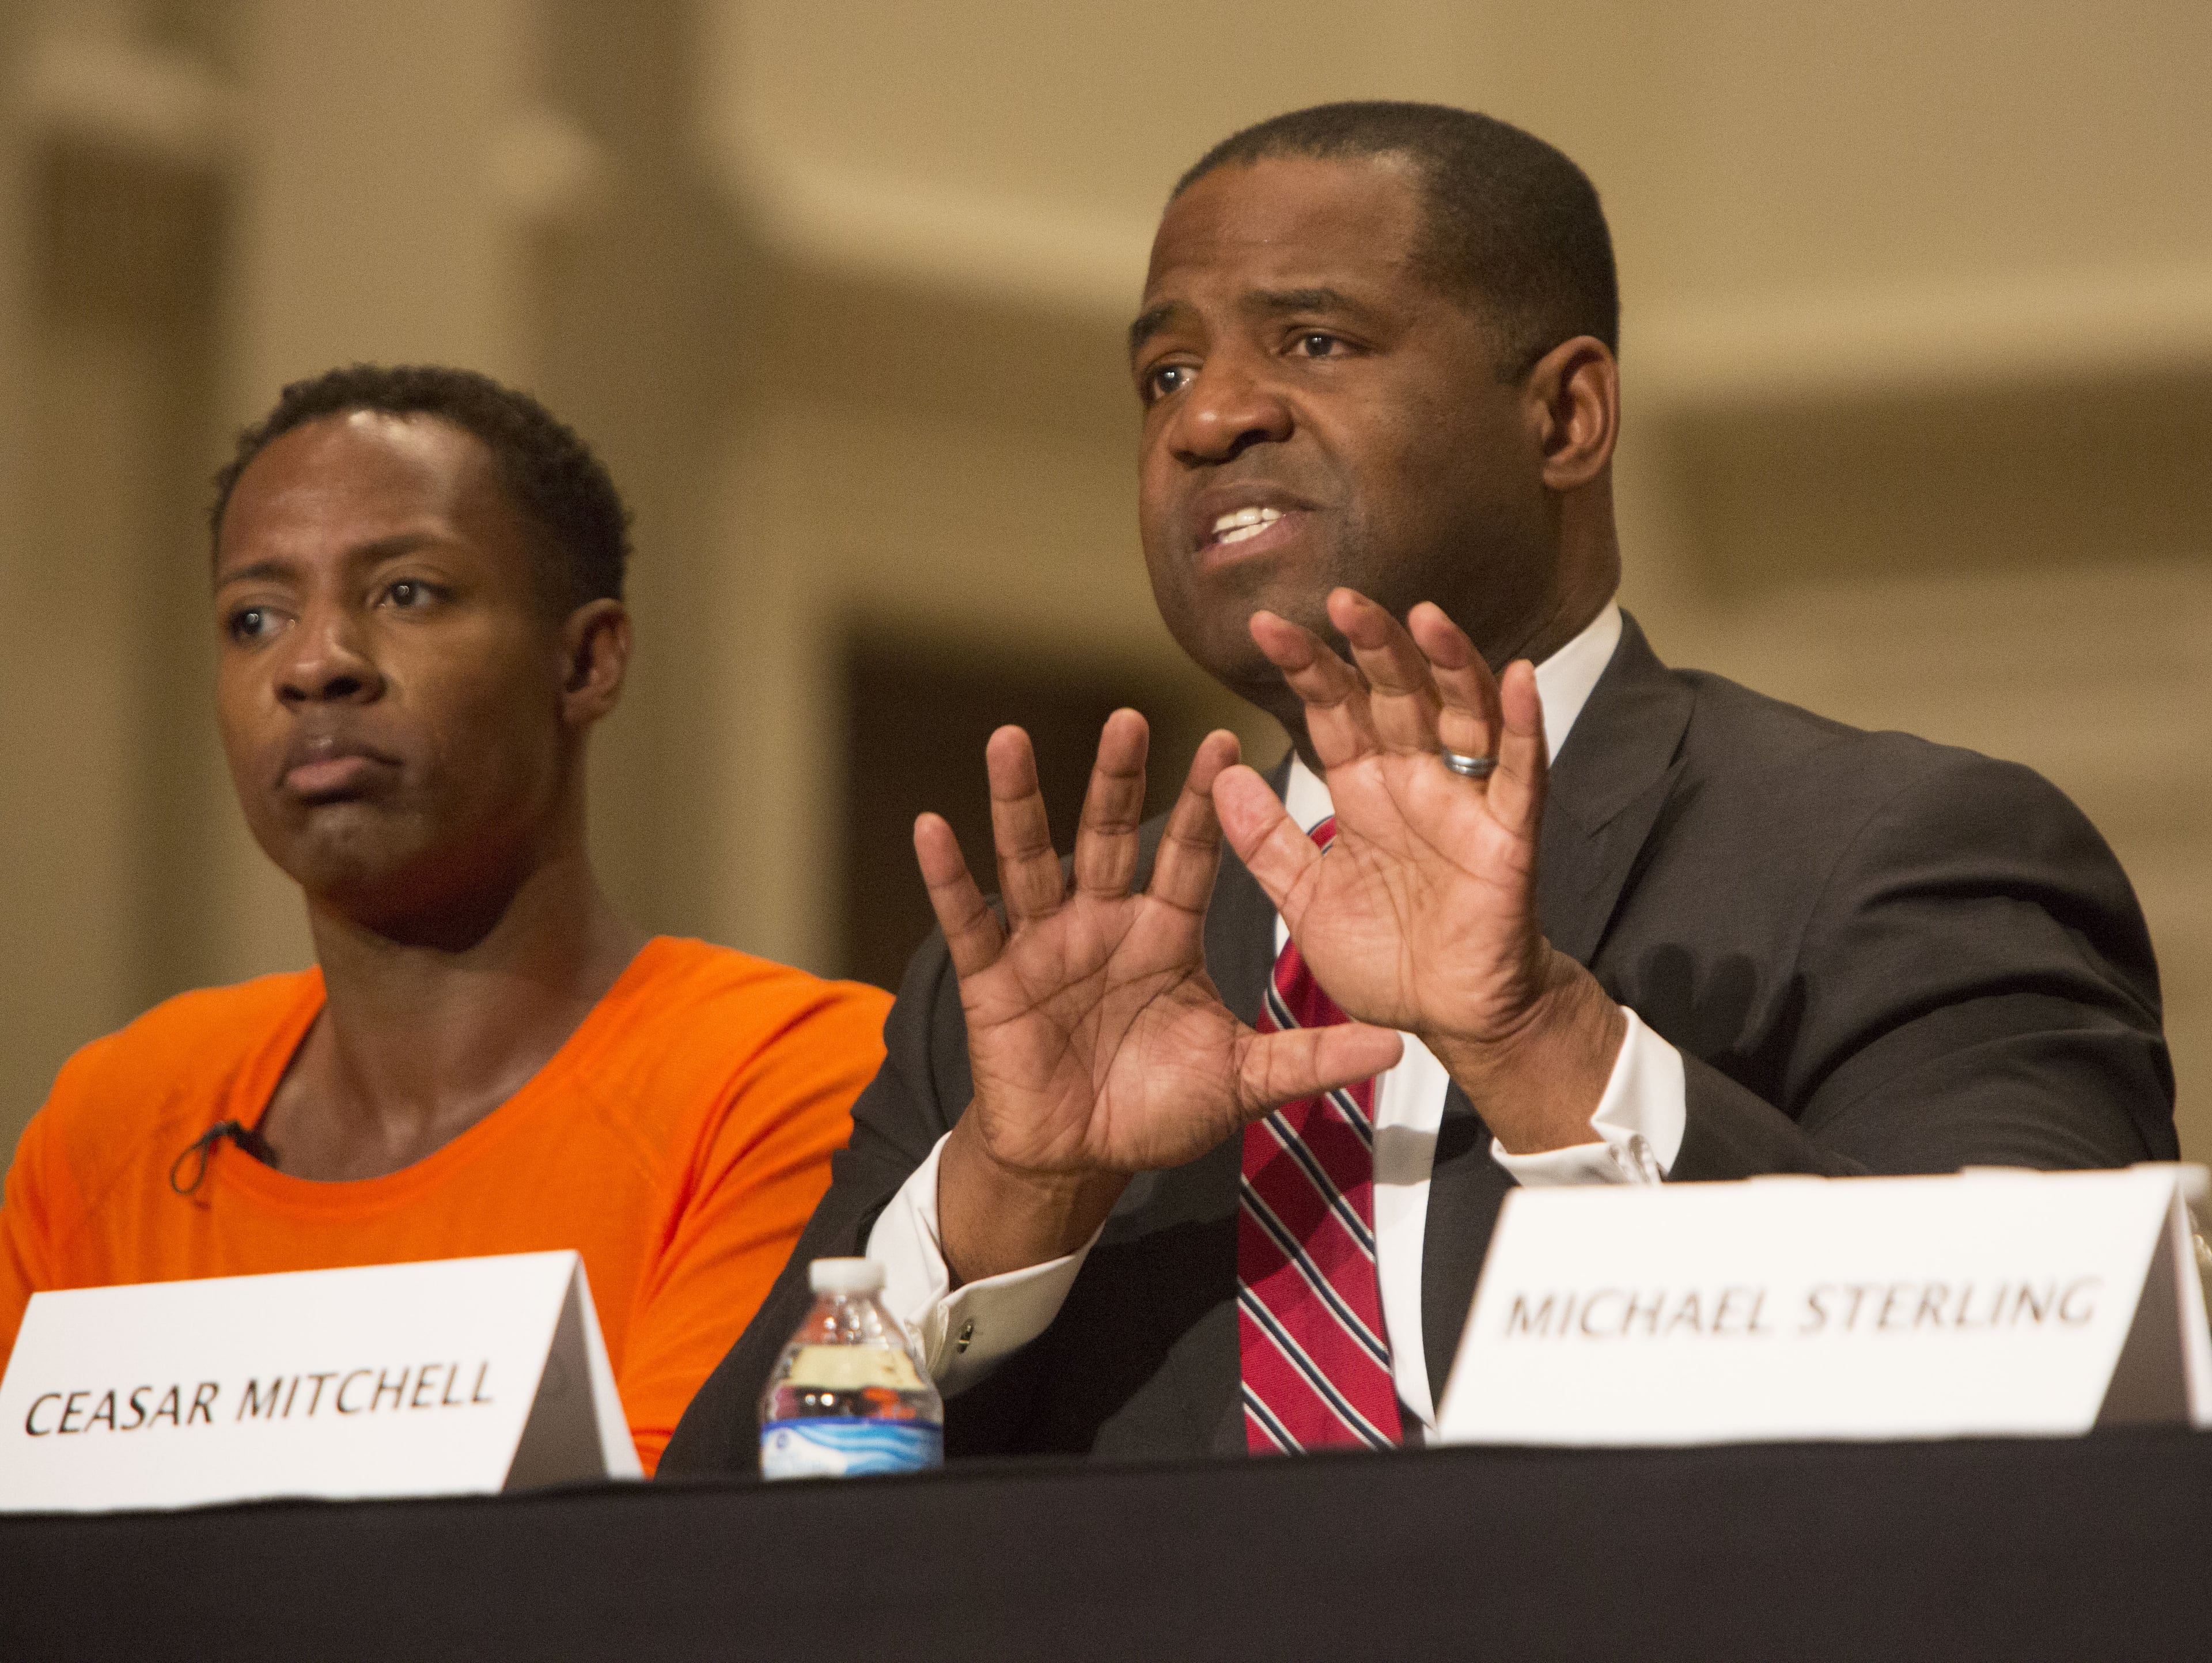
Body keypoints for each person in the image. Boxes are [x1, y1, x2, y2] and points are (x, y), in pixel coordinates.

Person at [662, 104, 2174, 1469]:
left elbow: (2060, 1417)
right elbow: (704, 1570)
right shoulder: (1023, 999)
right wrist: (1004, 1208)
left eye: (1312, 341)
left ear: (1566, 415)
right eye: (1166, 371)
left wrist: (1545, 1045)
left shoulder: (1895, 855)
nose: (1206, 419)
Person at [0, 365, 891, 1474]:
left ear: (586, 660)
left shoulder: (789, 1083)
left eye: (406, 594)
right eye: (255, 617)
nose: (313, 665)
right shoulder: (116, 1124)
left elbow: (658, 1588)